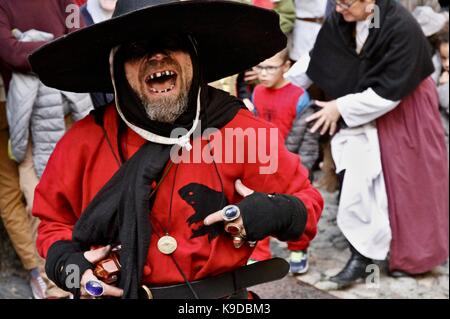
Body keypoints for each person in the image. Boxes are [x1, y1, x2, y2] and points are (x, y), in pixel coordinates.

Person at [30, 0, 323, 299]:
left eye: (171, 42)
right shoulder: (84, 140)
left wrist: (275, 211)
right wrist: (69, 267)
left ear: (194, 58)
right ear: (118, 69)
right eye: (136, 48)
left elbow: (307, 206)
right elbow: (53, 223)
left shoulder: (243, 132)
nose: (157, 56)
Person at [285, 0, 448, 287]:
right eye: (336, 2)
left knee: (407, 183)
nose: (337, 9)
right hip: (360, 106)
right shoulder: (343, 19)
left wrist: (339, 107)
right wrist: (285, 88)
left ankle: (410, 256)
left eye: (346, 3)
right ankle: (362, 255)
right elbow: (319, 57)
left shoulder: (400, 27)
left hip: (405, 107)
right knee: (359, 177)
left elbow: (390, 91)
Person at [0, 0, 86, 299]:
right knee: (37, 201)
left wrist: (31, 43)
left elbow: (80, 40)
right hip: (28, 125)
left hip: (70, 114)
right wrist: (54, 47)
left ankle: (84, 277)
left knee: (81, 196)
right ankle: (53, 283)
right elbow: (9, 52)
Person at [249, 48, 319, 274]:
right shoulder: (257, 92)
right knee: (259, 205)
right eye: (259, 67)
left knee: (296, 208)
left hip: (291, 166)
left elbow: (308, 137)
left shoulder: (299, 96)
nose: (263, 73)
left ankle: (298, 249)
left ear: (286, 67)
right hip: (263, 164)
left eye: (270, 67)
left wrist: (304, 167)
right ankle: (259, 253)